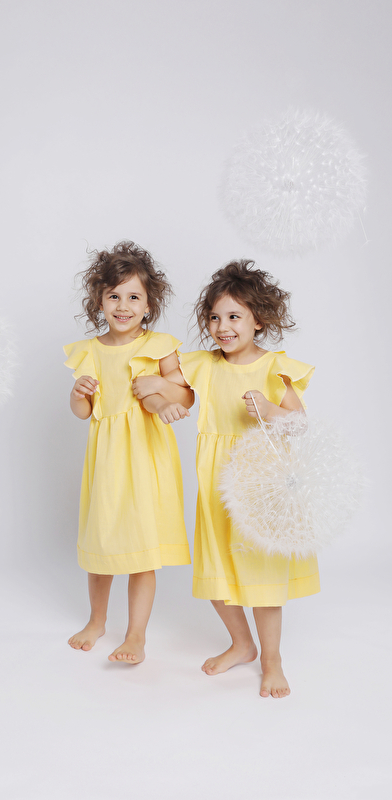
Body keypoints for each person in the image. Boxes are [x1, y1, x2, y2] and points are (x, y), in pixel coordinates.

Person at [132, 259, 319, 696]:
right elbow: (167, 381)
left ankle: (272, 661)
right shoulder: (204, 364)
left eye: (234, 316)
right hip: (217, 483)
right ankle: (241, 644)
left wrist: (270, 411)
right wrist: (157, 389)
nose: (222, 327)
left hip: (261, 485)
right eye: (215, 318)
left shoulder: (273, 368)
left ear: (259, 320)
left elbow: (300, 424)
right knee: (215, 570)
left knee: (262, 575)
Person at [64, 241, 193, 665]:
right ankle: (97, 620)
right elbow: (84, 412)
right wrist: (78, 393)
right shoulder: (90, 351)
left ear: (149, 304)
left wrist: (161, 391)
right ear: (99, 301)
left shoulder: (160, 345)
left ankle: (136, 635)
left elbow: (185, 392)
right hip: (107, 460)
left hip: (146, 458)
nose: (123, 306)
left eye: (134, 297)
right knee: (101, 542)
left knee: (142, 549)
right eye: (114, 296)